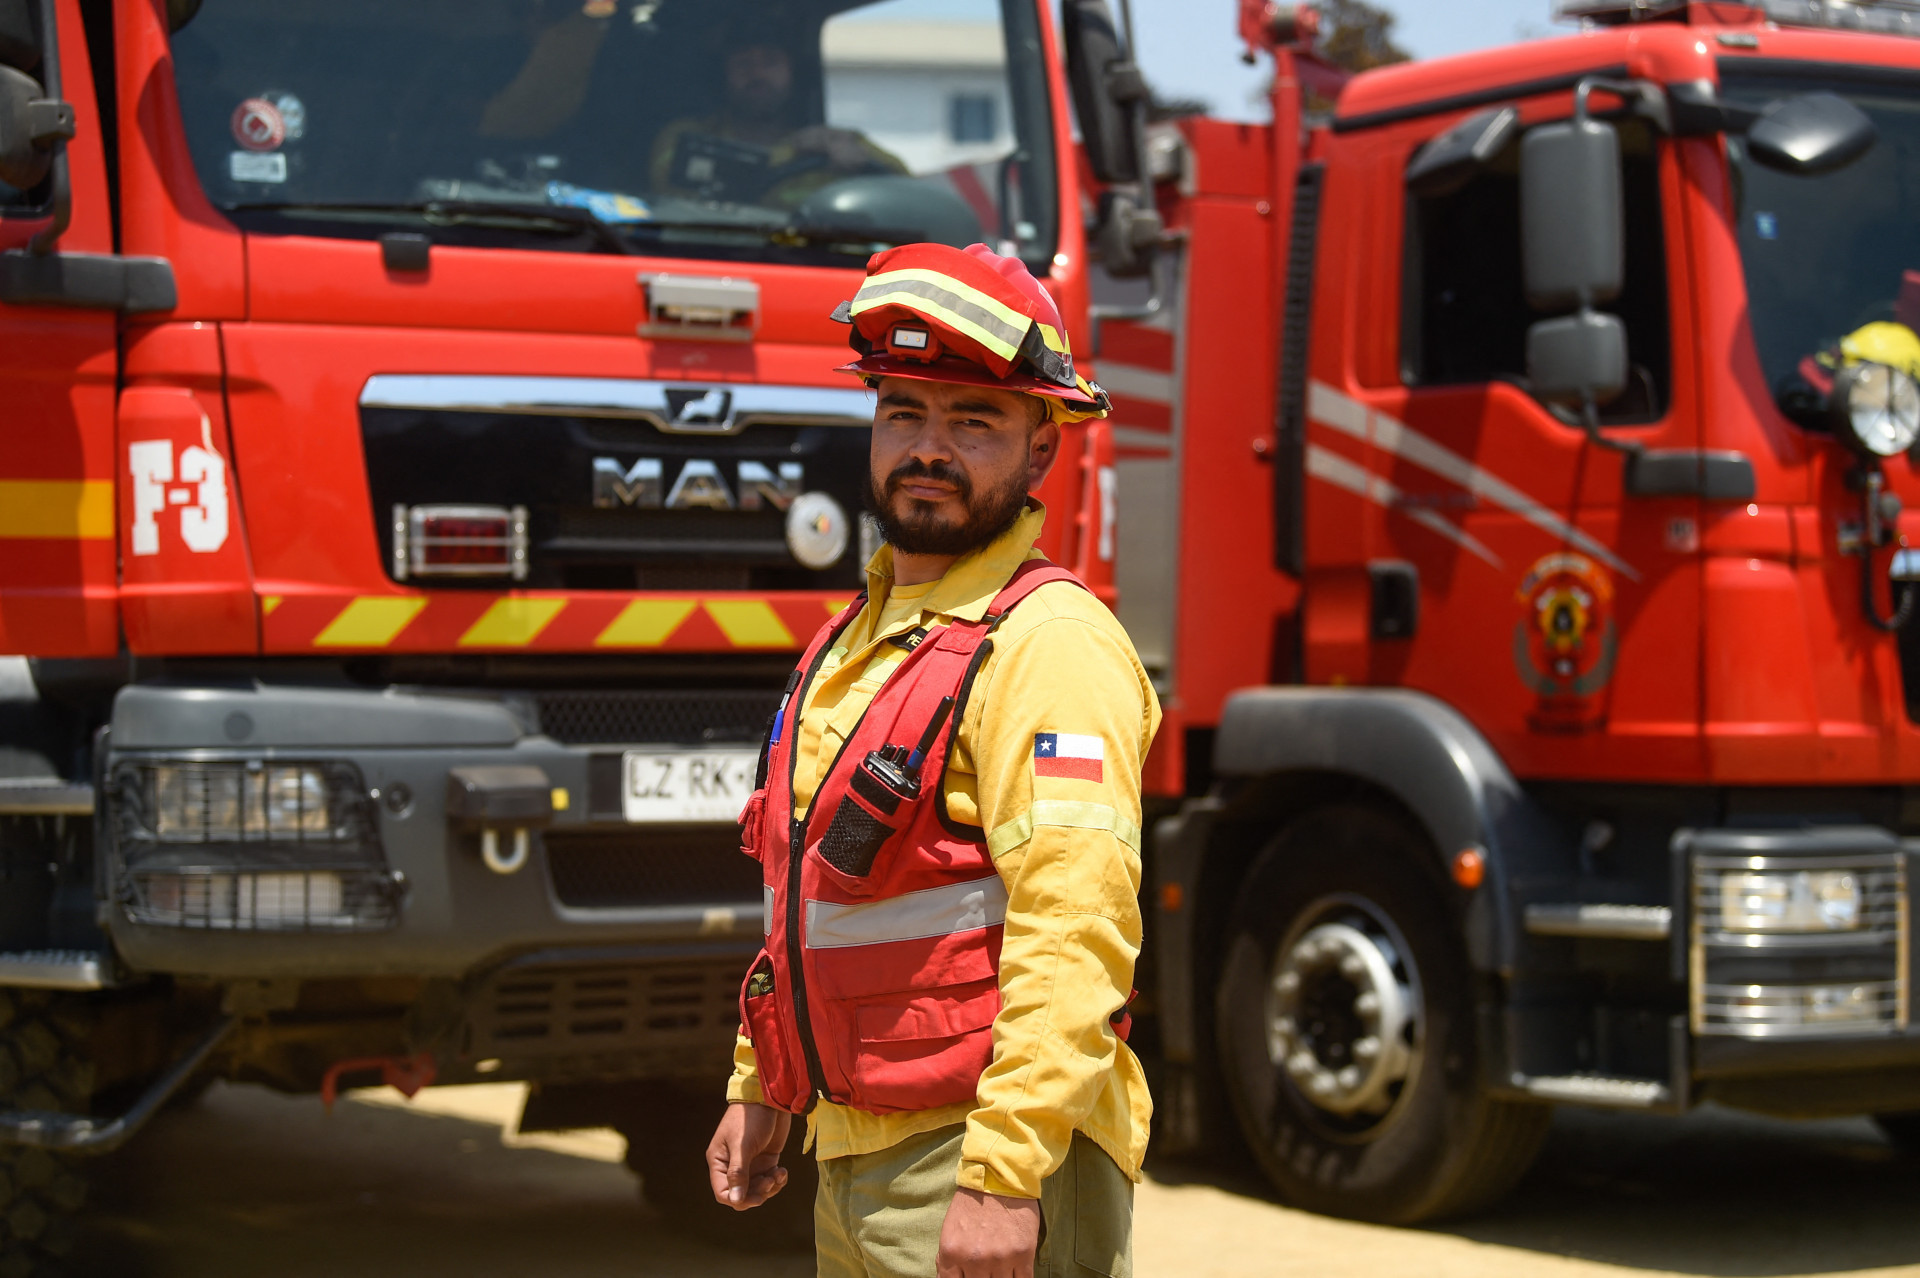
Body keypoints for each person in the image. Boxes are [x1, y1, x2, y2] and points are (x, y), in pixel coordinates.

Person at [707, 241, 1157, 1278]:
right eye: (905, 411)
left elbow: (1076, 925)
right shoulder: (855, 639)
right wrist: (760, 1086)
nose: (929, 447)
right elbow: (803, 897)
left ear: (1043, 453)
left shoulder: (1051, 644)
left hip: (986, 1158)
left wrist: (1002, 1179)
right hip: (857, 1152)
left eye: (975, 421)